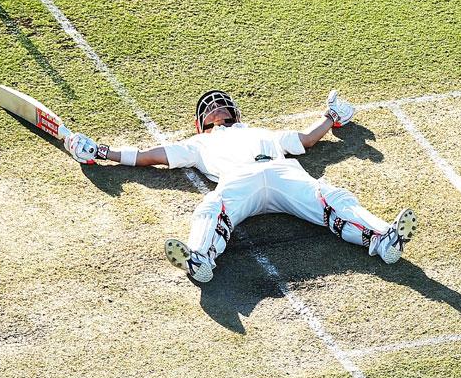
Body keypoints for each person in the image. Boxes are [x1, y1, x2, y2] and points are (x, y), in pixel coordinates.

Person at [64, 90, 417, 283]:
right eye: (210, 106)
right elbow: (147, 156)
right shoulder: (196, 144)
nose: (217, 107)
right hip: (238, 182)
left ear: (234, 111)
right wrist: (102, 151)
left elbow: (307, 140)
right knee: (210, 208)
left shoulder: (263, 133)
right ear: (203, 121)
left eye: (221, 103)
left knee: (331, 197)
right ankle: (200, 259)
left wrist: (331, 117)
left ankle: (383, 238)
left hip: (282, 173)